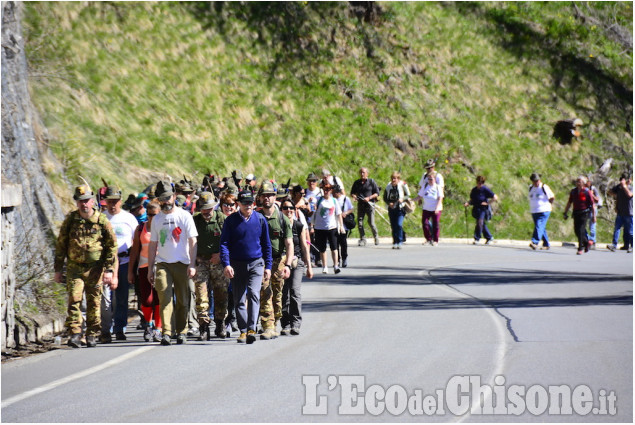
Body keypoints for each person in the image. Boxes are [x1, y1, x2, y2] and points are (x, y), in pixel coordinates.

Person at [54, 182, 118, 348]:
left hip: (95, 268)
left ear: (92, 201)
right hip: (75, 268)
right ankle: (75, 332)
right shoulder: (71, 220)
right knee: (74, 299)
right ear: (77, 202)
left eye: (86, 200)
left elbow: (111, 246)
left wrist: (109, 270)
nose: (84, 204)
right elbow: (61, 244)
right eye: (80, 200)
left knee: (93, 302)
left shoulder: (101, 221)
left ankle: (92, 333)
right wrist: (58, 269)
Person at [147, 180, 198, 345]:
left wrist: (192, 264)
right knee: (165, 298)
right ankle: (167, 332)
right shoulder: (157, 219)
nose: (166, 201)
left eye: (169, 197)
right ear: (159, 200)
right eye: (163, 198)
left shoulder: (184, 216)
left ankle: (181, 331)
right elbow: (153, 245)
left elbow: (192, 241)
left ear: (174, 196)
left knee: (183, 299)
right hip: (163, 264)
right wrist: (150, 269)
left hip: (182, 263)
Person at [220, 190, 272, 344]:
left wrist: (268, 267)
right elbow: (224, 244)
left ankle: (251, 329)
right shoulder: (231, 221)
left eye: (250, 203)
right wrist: (226, 264)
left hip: (256, 263)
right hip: (236, 264)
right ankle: (243, 330)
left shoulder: (260, 219)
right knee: (239, 299)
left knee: (254, 294)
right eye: (244, 203)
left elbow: (266, 245)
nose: (247, 206)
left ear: (253, 203)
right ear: (238, 204)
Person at [256, 182, 293, 340]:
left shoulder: (282, 218)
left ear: (274, 197)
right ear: (259, 197)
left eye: (270, 195)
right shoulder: (256, 217)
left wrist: (288, 265)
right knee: (265, 292)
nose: (267, 198)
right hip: (261, 261)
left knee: (278, 296)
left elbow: (289, 243)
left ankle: (275, 321)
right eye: (264, 195)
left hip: (278, 261)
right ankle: (267, 326)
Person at [103, 184, 140, 341]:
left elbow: (137, 241)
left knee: (122, 297)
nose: (113, 204)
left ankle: (120, 327)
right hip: (106, 264)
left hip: (124, 261)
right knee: (106, 298)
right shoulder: (101, 218)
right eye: (110, 201)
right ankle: (106, 328)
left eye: (115, 201)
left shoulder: (129, 218)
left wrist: (134, 265)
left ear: (120, 201)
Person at [192, 191, 230, 340]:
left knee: (221, 295)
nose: (206, 212)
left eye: (209, 208)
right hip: (201, 262)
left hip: (218, 262)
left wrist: (220, 255)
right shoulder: (195, 221)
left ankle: (220, 322)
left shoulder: (222, 219)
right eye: (203, 208)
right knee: (201, 296)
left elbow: (229, 240)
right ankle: (203, 326)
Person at [127, 199, 163, 342]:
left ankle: (159, 328)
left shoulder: (163, 228)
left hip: (160, 267)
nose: (151, 217)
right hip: (143, 267)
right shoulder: (140, 229)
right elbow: (135, 251)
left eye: (154, 214)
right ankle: (148, 324)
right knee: (147, 299)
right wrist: (130, 271)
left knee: (159, 298)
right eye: (149, 214)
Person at [279, 198, 313, 335]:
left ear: (295, 210)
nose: (289, 211)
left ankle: (296, 323)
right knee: (283, 292)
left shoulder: (299, 226)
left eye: (291, 208)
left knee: (294, 291)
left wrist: (309, 266)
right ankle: (285, 323)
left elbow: (305, 247)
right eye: (286, 208)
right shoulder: (279, 225)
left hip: (297, 262)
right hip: (282, 262)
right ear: (281, 210)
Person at [313, 180, 344, 274]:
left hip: (332, 227)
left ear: (331, 190)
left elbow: (339, 214)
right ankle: (325, 266)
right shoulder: (318, 200)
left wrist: (341, 226)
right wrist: (311, 225)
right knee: (322, 249)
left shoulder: (334, 201)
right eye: (324, 189)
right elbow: (313, 212)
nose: (326, 191)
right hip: (320, 227)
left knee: (334, 248)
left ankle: (335, 266)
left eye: (328, 189)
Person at [218, 192, 239, 335]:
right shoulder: (218, 220)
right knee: (221, 293)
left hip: (237, 260)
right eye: (225, 204)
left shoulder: (239, 219)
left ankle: (232, 319)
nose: (228, 207)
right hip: (219, 262)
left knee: (234, 292)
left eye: (231, 204)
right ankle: (220, 322)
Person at [563, 175, 595, 255]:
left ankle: (580, 248)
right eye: (577, 181)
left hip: (584, 213)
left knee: (581, 230)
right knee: (576, 230)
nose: (578, 183)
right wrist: (565, 212)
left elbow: (592, 204)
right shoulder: (573, 191)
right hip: (576, 212)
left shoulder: (587, 192)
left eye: (579, 182)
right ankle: (587, 243)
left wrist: (594, 216)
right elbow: (569, 203)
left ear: (583, 183)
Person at [350, 167, 380, 246]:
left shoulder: (371, 182)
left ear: (367, 173)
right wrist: (354, 197)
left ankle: (376, 237)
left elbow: (377, 193)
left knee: (371, 223)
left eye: (363, 172)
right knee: (360, 223)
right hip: (361, 205)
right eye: (361, 172)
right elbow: (352, 193)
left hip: (370, 205)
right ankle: (362, 239)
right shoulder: (357, 183)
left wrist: (369, 198)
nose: (362, 174)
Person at [464, 176, 498, 245]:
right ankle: (489, 237)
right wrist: (468, 203)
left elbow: (495, 197)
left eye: (481, 183)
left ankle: (477, 238)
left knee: (480, 222)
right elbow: (472, 200)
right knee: (481, 224)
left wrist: (488, 203)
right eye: (479, 182)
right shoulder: (474, 190)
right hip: (476, 209)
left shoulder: (485, 189)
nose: (480, 184)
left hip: (483, 209)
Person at [414, 172, 443, 246]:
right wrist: (412, 200)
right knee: (425, 223)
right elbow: (419, 196)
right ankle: (428, 239)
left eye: (432, 179)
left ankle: (435, 240)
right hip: (426, 208)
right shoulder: (425, 186)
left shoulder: (438, 187)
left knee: (435, 224)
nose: (430, 180)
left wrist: (437, 208)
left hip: (436, 209)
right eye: (429, 179)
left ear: (435, 179)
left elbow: (440, 198)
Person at [383, 171, 411, 249]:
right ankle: (395, 241)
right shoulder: (388, 186)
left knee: (399, 224)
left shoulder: (402, 185)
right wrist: (389, 203)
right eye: (392, 178)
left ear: (398, 179)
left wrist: (402, 199)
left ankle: (400, 240)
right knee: (393, 225)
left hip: (400, 208)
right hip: (391, 209)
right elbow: (385, 197)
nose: (393, 180)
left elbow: (408, 195)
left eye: (395, 178)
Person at [528, 173, 555, 250]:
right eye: (534, 181)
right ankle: (546, 244)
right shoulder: (530, 188)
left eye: (537, 180)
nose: (536, 182)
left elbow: (552, 197)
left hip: (544, 210)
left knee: (539, 225)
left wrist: (548, 204)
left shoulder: (544, 187)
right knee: (540, 227)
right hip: (534, 211)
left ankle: (535, 242)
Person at [607, 173, 633, 253]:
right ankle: (614, 245)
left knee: (630, 231)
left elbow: (629, 195)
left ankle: (632, 246)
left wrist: (625, 186)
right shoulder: (619, 188)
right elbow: (610, 192)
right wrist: (616, 206)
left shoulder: (631, 188)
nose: (622, 182)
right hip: (620, 212)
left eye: (623, 180)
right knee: (617, 229)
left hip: (629, 213)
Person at [333, 185, 354, 267]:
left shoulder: (345, 199)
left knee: (343, 243)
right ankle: (337, 260)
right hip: (334, 224)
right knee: (335, 243)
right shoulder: (332, 199)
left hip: (344, 224)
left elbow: (351, 208)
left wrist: (346, 213)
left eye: (335, 193)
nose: (333, 194)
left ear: (338, 192)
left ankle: (344, 258)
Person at [585, 177, 602, 249]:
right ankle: (586, 239)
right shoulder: (583, 189)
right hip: (585, 209)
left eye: (587, 181)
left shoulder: (593, 189)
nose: (586, 183)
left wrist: (592, 194)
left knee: (592, 225)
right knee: (582, 225)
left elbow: (597, 200)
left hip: (593, 209)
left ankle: (592, 240)